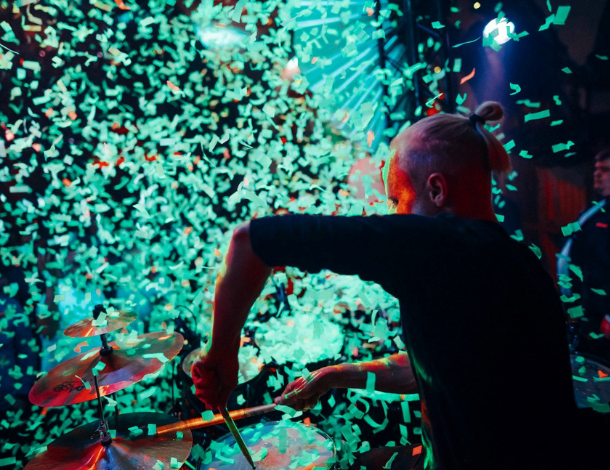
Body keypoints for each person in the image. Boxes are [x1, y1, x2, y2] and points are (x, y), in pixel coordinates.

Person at [192, 102, 600, 470]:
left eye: (395, 200)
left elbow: (250, 242)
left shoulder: (436, 245)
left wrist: (221, 353)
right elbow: (426, 368)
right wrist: (333, 375)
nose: (390, 214)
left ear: (437, 190)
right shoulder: (517, 262)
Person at [558, 149, 610, 362]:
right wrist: (574, 309)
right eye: (596, 169)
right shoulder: (593, 211)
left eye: (605, 170)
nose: (597, 174)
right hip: (586, 314)